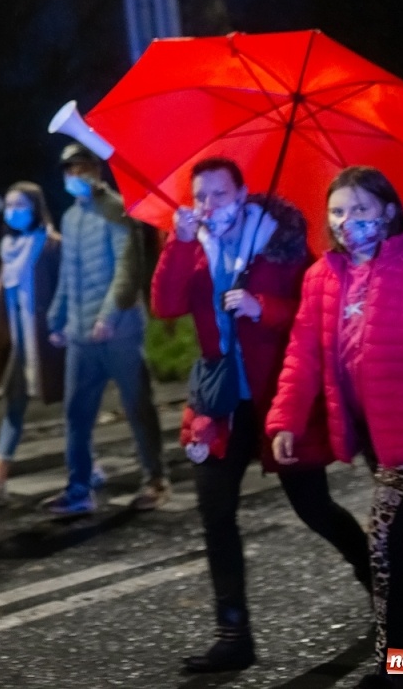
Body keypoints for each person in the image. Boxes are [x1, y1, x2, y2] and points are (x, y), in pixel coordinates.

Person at [268, 166, 403, 689]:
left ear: (389, 209)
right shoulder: (323, 276)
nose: (350, 221)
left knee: (389, 542)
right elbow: (302, 354)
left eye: (362, 209)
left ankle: (398, 668)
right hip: (374, 435)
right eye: (339, 211)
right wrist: (285, 417)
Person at [150, 158, 369, 673]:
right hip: (220, 401)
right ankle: (233, 634)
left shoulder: (281, 240)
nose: (209, 207)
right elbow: (164, 305)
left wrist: (261, 307)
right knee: (215, 513)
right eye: (200, 196)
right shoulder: (191, 241)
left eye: (220, 195)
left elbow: (314, 310)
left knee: (313, 506)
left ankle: (378, 580)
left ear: (243, 193)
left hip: (278, 395)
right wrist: (179, 245)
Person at [43, 144, 169, 515]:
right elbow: (68, 275)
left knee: (137, 406)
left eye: (82, 169)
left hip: (121, 332)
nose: (75, 176)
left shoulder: (115, 209)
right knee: (76, 413)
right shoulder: (70, 218)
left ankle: (156, 479)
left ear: (96, 171)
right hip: (82, 335)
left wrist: (108, 317)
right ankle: (78, 486)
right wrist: (57, 320)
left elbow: (127, 269)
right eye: (69, 171)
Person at [0, 182, 63, 500]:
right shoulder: (8, 248)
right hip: (18, 342)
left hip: (48, 341)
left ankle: (87, 466)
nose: (14, 212)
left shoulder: (51, 245)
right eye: (10, 205)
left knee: (70, 408)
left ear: (36, 208)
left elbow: (63, 288)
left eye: (21, 206)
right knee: (14, 406)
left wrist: (62, 325)